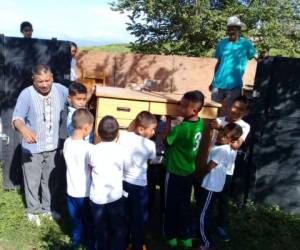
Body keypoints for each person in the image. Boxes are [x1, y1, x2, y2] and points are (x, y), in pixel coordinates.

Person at [12, 64, 68, 225]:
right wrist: (22, 129)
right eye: (40, 81)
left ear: (52, 77)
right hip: (32, 148)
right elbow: (17, 117)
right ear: (33, 80)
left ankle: (47, 209)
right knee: (33, 181)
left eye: (47, 80)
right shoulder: (26, 94)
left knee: (51, 181)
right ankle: (33, 210)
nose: (44, 84)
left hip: (53, 147)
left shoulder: (60, 90)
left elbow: (75, 98)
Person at [164, 90, 205, 249]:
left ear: (194, 110)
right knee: (184, 205)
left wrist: (168, 120)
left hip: (174, 172)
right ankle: (186, 237)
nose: (180, 108)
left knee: (170, 205)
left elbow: (166, 141)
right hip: (189, 171)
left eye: (183, 106)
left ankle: (171, 236)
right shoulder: (200, 122)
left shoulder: (181, 129)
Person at [210, 95, 250, 241]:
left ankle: (220, 227)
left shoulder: (245, 126)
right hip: (210, 165)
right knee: (206, 198)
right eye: (234, 107)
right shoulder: (219, 120)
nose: (236, 111)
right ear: (229, 106)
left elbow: (235, 145)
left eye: (241, 109)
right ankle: (204, 224)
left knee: (222, 199)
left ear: (245, 113)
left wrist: (220, 128)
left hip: (225, 169)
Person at [196, 123, 243, 250]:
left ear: (231, 140)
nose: (221, 136)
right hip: (211, 185)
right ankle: (206, 235)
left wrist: (199, 176)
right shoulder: (221, 146)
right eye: (221, 132)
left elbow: (210, 166)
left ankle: (207, 243)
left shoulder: (222, 150)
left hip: (211, 186)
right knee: (206, 212)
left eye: (224, 136)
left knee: (202, 214)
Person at [117, 111, 157, 250]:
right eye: (152, 129)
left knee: (124, 214)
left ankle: (122, 243)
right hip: (140, 187)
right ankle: (137, 245)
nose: (153, 132)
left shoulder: (123, 136)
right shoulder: (150, 145)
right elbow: (152, 160)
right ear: (141, 129)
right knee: (139, 217)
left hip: (123, 183)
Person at [88, 116, 127, 250]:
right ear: (118, 134)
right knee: (117, 229)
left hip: (97, 198)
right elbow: (125, 168)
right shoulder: (122, 150)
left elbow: (89, 166)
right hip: (115, 196)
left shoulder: (92, 150)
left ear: (98, 133)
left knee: (100, 229)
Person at [210, 16, 256, 113]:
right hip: (218, 83)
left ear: (239, 30)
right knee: (213, 111)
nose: (231, 31)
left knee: (232, 112)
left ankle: (227, 128)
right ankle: (214, 128)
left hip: (235, 84)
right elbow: (218, 63)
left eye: (233, 29)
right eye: (229, 29)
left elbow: (255, 57)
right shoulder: (222, 43)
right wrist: (212, 81)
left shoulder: (246, 44)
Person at [63, 108, 95, 249]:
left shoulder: (67, 143)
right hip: (85, 193)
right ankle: (89, 244)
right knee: (88, 220)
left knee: (75, 220)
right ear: (86, 128)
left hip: (71, 191)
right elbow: (94, 167)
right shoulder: (89, 148)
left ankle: (75, 243)